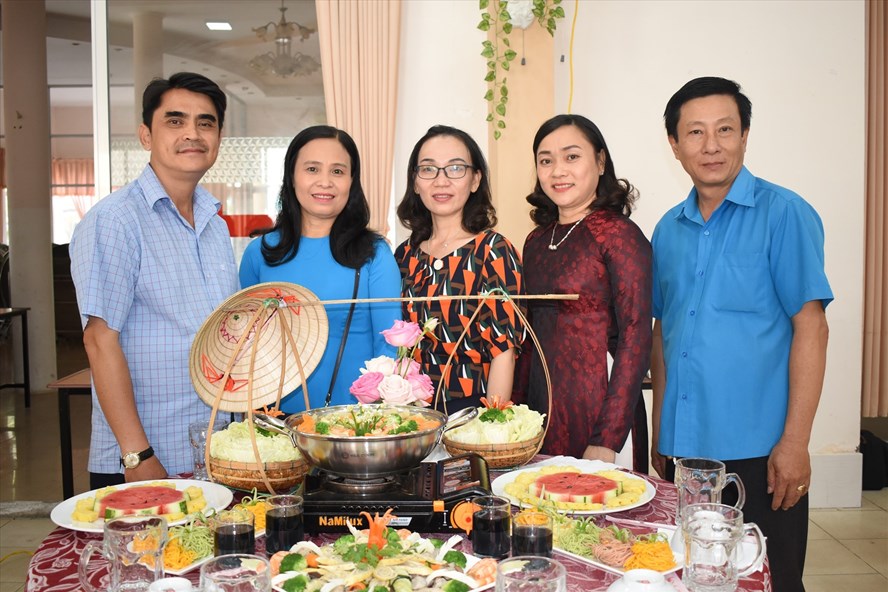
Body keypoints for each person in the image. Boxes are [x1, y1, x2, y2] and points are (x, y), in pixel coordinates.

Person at [650, 76, 832, 592]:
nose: (711, 146)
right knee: (691, 576)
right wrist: (665, 431)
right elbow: (664, 334)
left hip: (762, 452)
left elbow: (811, 328)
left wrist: (795, 441)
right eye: (696, 133)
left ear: (745, 135)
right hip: (688, 454)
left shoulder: (785, 214)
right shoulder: (668, 229)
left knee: (769, 580)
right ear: (675, 145)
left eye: (725, 129)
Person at [70, 73, 239, 488]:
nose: (192, 134)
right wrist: (138, 454)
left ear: (218, 137)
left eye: (206, 122)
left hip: (214, 453)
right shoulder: (115, 220)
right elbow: (99, 340)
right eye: (175, 121)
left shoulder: (215, 226)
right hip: (145, 458)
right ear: (146, 135)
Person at [513, 114, 652, 461]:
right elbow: (529, 338)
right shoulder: (536, 241)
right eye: (546, 160)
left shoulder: (619, 234)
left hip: (601, 413)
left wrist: (608, 436)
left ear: (600, 161)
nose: (558, 171)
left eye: (572, 156)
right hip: (542, 411)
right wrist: (516, 415)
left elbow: (636, 335)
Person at [239, 125, 401, 412]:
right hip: (274, 421)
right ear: (291, 176)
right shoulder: (259, 254)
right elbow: (247, 346)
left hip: (352, 424)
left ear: (352, 181)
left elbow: (390, 344)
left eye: (337, 171)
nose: (325, 182)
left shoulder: (374, 253)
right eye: (312, 169)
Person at [396, 125, 525, 413]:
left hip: (471, 409)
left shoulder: (493, 250)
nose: (441, 181)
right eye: (428, 169)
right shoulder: (404, 255)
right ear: (415, 182)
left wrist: (492, 423)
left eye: (455, 168)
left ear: (475, 179)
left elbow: (504, 352)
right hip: (412, 412)